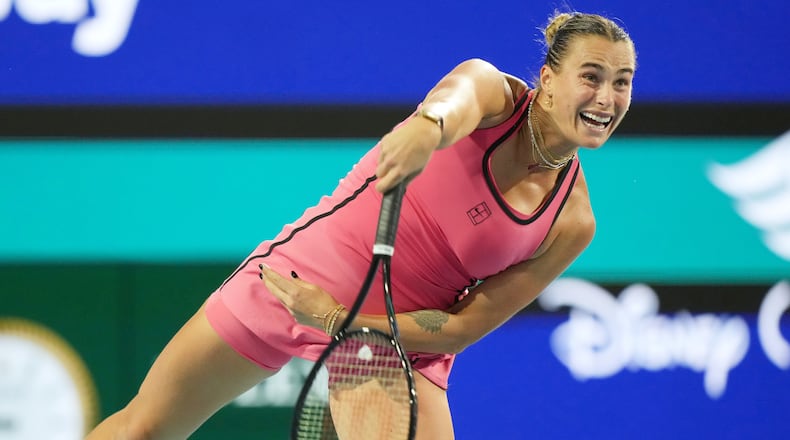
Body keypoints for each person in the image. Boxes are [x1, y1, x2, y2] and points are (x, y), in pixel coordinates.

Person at [86, 10, 636, 440]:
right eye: (591, 77)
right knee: (144, 428)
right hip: (299, 276)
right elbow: (453, 102)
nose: (606, 99)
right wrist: (428, 129)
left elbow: (466, 327)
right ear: (547, 77)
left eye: (622, 82)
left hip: (392, 340)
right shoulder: (492, 92)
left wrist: (336, 319)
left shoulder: (572, 221)